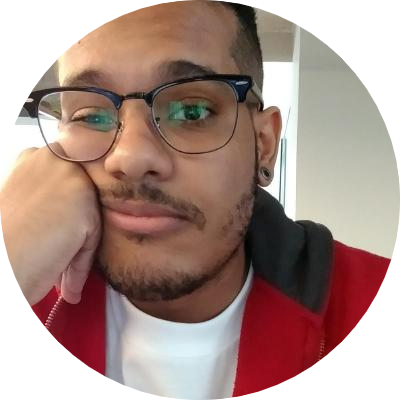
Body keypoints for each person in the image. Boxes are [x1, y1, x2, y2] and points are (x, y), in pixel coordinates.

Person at [0, 1, 390, 397]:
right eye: (90, 116)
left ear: (264, 145)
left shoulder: (363, 297)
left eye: (191, 111)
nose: (131, 158)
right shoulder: (30, 283)